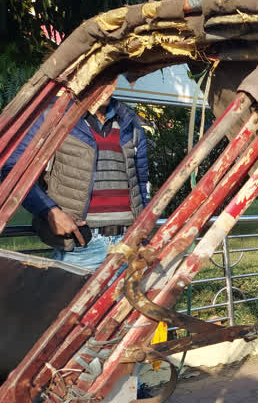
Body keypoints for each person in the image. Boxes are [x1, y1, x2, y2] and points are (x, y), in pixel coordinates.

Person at [2, 79, 149, 271]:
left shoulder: (130, 123)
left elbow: (141, 182)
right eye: (100, 77)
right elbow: (12, 170)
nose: (106, 85)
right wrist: (50, 212)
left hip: (128, 244)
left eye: (111, 78)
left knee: (124, 301)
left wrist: (145, 229)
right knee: (69, 302)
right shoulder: (55, 116)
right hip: (80, 247)